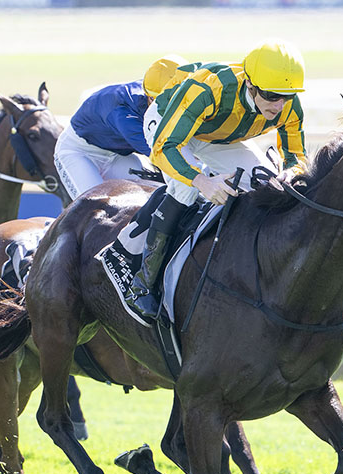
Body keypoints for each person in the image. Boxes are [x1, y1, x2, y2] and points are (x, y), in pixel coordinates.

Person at [124, 39, 309, 321]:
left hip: (218, 135)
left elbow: (297, 159)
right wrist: (202, 181)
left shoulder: (288, 107)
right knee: (186, 187)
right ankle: (142, 283)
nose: (280, 105)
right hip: (170, 124)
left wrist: (289, 174)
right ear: (250, 85)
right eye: (272, 95)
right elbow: (165, 148)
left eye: (288, 95)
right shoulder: (208, 90)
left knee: (267, 184)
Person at [53, 54, 188, 201]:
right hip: (78, 153)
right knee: (96, 205)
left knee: (152, 196)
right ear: (151, 97)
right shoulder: (125, 115)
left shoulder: (156, 87)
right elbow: (162, 154)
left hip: (117, 156)